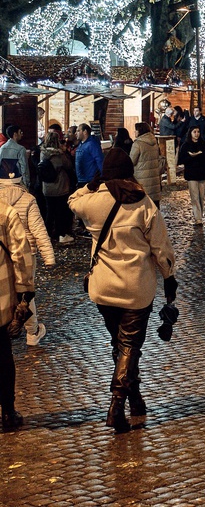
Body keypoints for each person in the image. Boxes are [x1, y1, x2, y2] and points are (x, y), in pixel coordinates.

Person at [68, 147, 176, 433]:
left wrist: (93, 183)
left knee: (122, 346)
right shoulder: (144, 204)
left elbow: (72, 200)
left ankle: (135, 399)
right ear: (130, 172)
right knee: (129, 346)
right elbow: (162, 250)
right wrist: (170, 279)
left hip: (103, 288)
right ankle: (117, 406)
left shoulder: (91, 202)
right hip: (136, 288)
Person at [0, 157, 55, 346]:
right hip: (26, 253)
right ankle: (32, 332)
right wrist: (49, 257)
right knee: (25, 292)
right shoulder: (28, 199)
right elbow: (38, 230)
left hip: (2, 254)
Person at [0, 199, 34, 430]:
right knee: (2, 357)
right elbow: (21, 255)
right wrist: (25, 292)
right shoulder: (4, 211)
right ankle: (8, 412)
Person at [39, 131, 75, 244]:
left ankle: (47, 235)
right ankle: (61, 235)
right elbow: (69, 166)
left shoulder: (43, 153)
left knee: (49, 212)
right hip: (60, 187)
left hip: (47, 188)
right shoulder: (59, 155)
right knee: (60, 212)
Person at [177, 126, 205, 225]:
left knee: (201, 196)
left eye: (198, 132)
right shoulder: (185, 145)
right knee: (195, 197)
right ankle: (198, 218)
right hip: (191, 174)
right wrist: (191, 157)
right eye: (194, 132)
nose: (196, 134)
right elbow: (182, 160)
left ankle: (200, 215)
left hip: (203, 174)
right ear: (190, 133)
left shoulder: (203, 145)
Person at [130, 122, 163, 207]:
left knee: (143, 206)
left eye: (136, 130)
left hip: (142, 179)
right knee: (154, 206)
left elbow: (132, 161)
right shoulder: (154, 142)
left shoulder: (137, 144)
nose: (135, 132)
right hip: (154, 179)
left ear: (140, 131)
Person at [75, 123, 104, 189]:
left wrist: (102, 176)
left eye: (78, 131)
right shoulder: (81, 144)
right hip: (81, 179)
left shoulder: (92, 144)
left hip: (89, 180)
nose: (76, 133)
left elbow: (99, 160)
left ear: (85, 132)